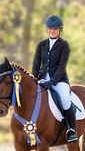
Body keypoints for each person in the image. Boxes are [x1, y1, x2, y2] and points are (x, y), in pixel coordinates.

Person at [32, 15, 78, 143]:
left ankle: (71, 130)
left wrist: (51, 82)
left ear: (60, 30)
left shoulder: (64, 45)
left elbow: (61, 67)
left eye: (55, 29)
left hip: (59, 80)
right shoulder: (41, 45)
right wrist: (34, 79)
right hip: (42, 79)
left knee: (64, 99)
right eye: (50, 29)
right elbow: (36, 64)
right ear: (47, 30)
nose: (52, 31)